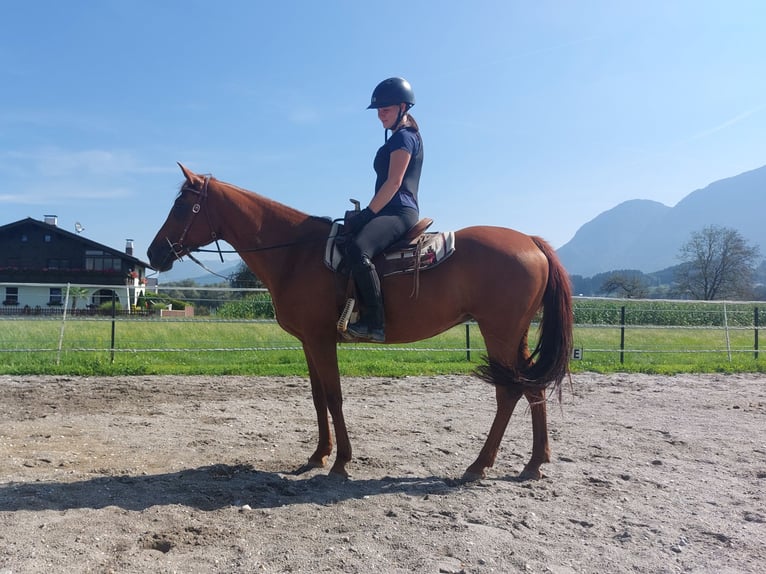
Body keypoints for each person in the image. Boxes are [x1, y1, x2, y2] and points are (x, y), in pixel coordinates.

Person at [344, 77, 424, 342]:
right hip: (389, 209)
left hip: (400, 211)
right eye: (378, 111)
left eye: (385, 110)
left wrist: (367, 214)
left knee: (358, 249)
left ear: (403, 107)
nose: (380, 115)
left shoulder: (404, 138)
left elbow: (394, 182)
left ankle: (374, 323)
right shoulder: (397, 138)